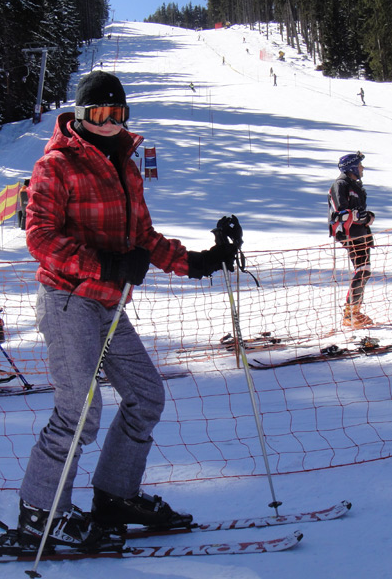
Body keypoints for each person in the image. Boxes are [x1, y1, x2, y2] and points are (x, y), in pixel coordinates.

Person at [18, 70, 238, 552]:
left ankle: (115, 496)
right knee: (79, 411)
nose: (109, 123)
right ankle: (40, 513)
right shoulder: (55, 165)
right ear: (80, 116)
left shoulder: (126, 167)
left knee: (146, 395)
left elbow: (143, 240)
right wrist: (106, 263)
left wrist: (199, 261)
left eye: (118, 114)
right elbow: (39, 236)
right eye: (100, 114)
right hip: (68, 299)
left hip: (108, 304)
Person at [328, 151, 375, 329]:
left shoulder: (355, 186)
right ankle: (350, 314)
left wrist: (367, 217)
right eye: (360, 165)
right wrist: (358, 216)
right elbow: (340, 211)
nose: (362, 168)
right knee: (363, 270)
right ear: (352, 167)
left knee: (365, 270)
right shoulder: (340, 184)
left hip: (361, 233)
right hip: (350, 233)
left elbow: (359, 213)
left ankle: (354, 311)